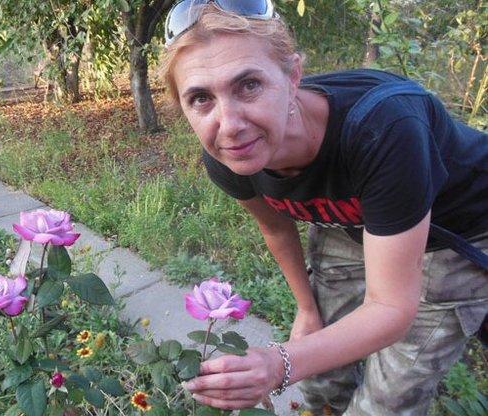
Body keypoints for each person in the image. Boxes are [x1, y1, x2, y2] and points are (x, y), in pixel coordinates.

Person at [159, 1, 488, 414]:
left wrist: (278, 364)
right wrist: (306, 308)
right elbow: (276, 228)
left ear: (293, 76)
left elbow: (391, 307)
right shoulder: (229, 155)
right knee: (317, 367)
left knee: (388, 397)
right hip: (354, 218)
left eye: (249, 85)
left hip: (459, 227)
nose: (230, 125)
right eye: (201, 98)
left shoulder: (384, 129)